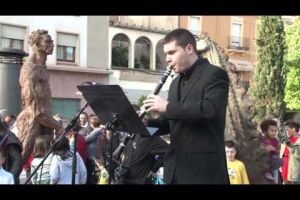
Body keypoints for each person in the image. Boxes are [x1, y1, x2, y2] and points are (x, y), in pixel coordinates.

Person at [143, 28, 230, 184]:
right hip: (175, 171)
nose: (167, 59)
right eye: (165, 54)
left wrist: (167, 108)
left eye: (171, 53)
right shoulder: (175, 83)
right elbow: (170, 125)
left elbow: (209, 110)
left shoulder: (214, 74)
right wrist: (144, 125)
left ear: (189, 49)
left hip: (203, 173)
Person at [114, 104, 169, 184]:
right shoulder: (128, 133)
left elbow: (167, 151)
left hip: (140, 180)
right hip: (124, 179)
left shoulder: (148, 133)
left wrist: (153, 169)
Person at [259, 119, 283, 183]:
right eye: (272, 131)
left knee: (280, 161)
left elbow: (278, 151)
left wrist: (273, 149)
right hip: (263, 161)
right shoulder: (261, 139)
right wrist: (264, 150)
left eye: (275, 131)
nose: (274, 133)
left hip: (273, 162)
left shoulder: (275, 140)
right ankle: (268, 172)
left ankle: (272, 176)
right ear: (265, 131)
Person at [280, 120, 300, 184]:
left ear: (293, 129)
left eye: (287, 129)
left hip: (293, 167)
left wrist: (291, 146)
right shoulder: (286, 140)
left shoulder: (299, 140)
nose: (286, 132)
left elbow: (298, 155)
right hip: (284, 165)